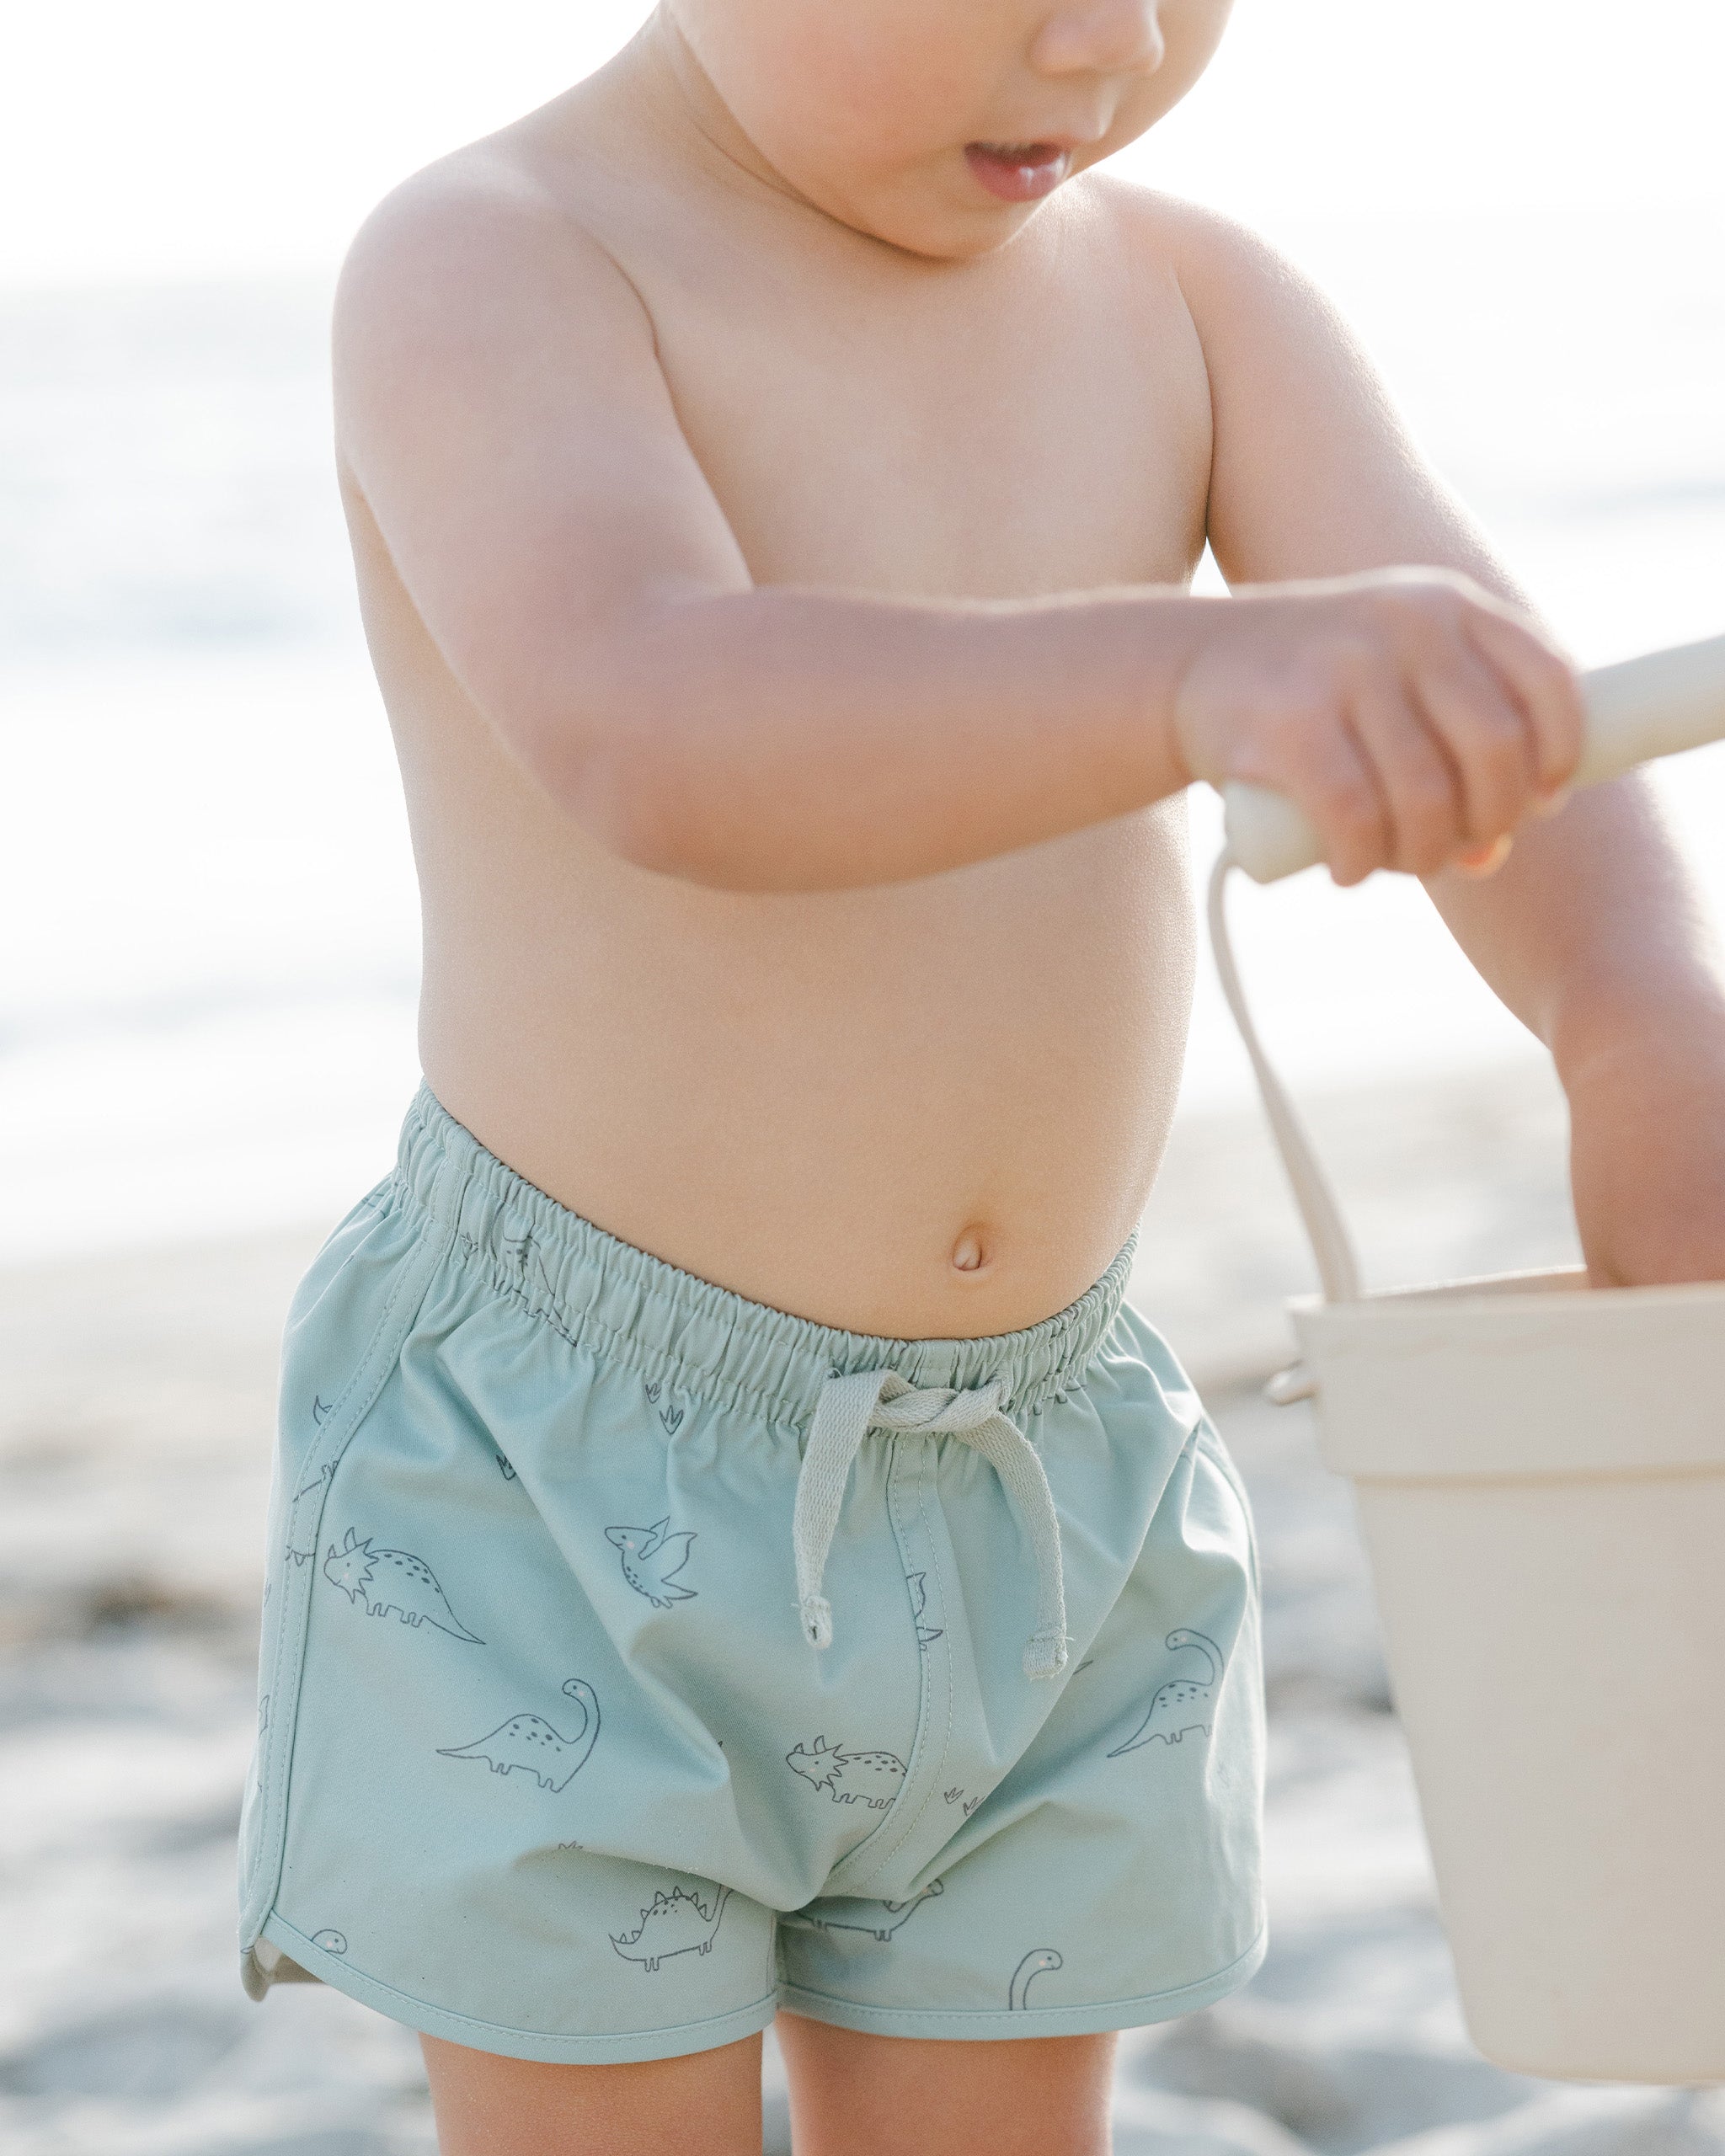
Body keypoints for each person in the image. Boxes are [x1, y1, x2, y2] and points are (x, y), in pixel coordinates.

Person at [236, 4, 1725, 2151]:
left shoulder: (1192, 300)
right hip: (562, 1469)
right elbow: (652, 724)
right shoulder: (503, 254)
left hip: (1039, 1464)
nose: (1107, 38)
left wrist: (1629, 1004)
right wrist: (1196, 670)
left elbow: (1483, 695)